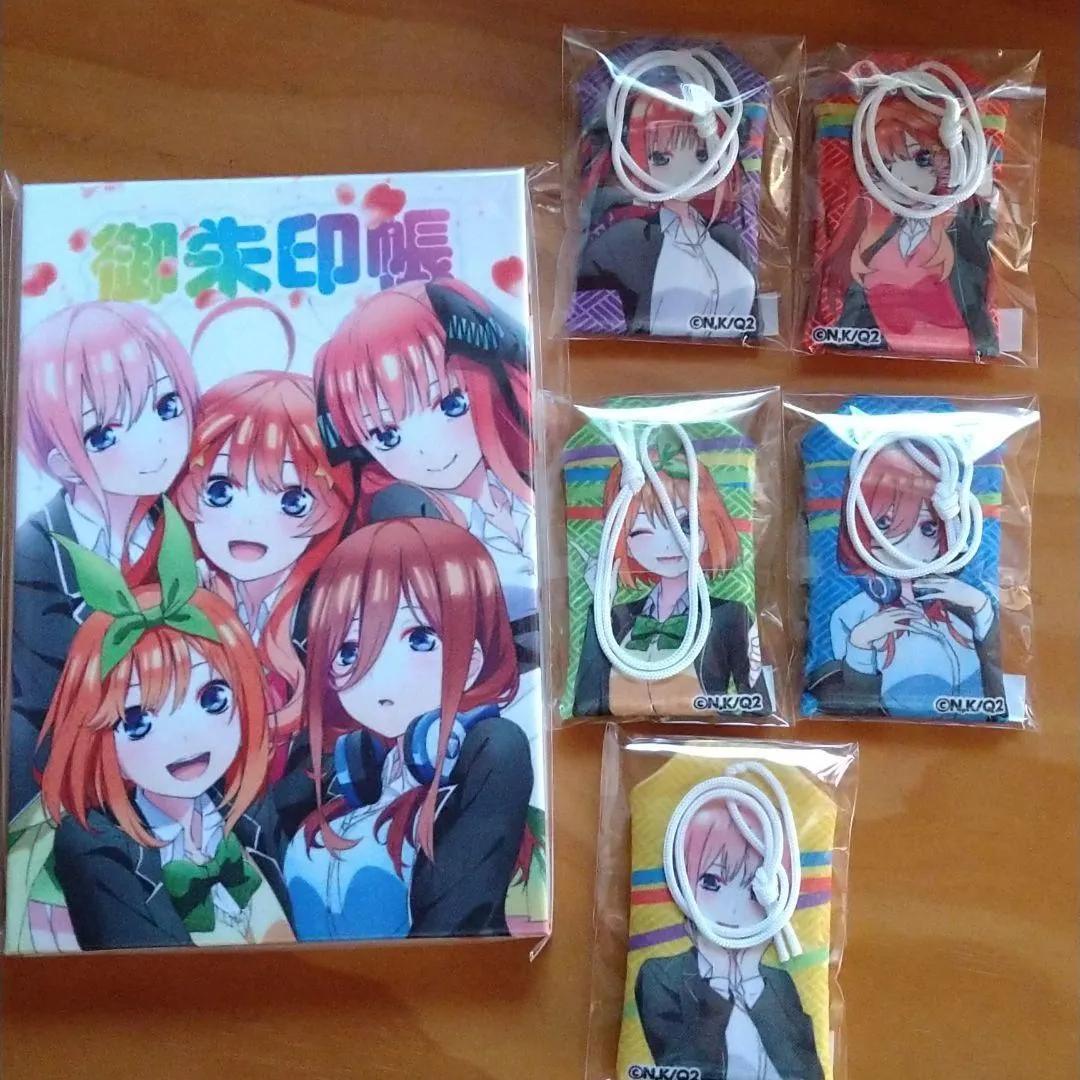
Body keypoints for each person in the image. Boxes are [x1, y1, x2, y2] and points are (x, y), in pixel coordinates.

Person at [22, 501, 293, 951]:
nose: (184, 736)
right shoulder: (97, 848)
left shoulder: (252, 814)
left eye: (212, 699)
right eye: (137, 720)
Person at [285, 518, 537, 941]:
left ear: (473, 660)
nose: (378, 673)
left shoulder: (492, 758)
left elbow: (458, 932)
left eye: (419, 639)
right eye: (349, 649)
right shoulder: (345, 784)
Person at [11, 301, 198, 819]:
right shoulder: (35, 555)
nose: (155, 441)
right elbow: (49, 706)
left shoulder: (190, 521)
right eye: (104, 434)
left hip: (197, 753)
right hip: (83, 789)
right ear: (61, 462)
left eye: (166, 405)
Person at [807, 444, 1002, 718]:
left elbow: (997, 685)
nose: (906, 546)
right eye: (884, 525)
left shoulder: (962, 606)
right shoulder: (852, 616)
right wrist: (860, 645)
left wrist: (981, 607)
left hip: (974, 721)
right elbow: (855, 706)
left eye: (928, 528)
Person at [636, 795, 822, 1080]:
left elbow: (808, 1073)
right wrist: (720, 977)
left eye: (753, 892)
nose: (732, 909)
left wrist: (750, 977)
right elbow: (683, 1065)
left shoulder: (777, 984)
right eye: (711, 882)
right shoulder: (661, 976)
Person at [574, 443, 767, 717]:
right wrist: (601, 604)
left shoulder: (729, 615)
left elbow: (757, 702)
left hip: (710, 734)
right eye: (642, 531)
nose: (667, 544)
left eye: (685, 524)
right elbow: (586, 700)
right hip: (612, 732)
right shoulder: (615, 618)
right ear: (624, 541)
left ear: (710, 524)